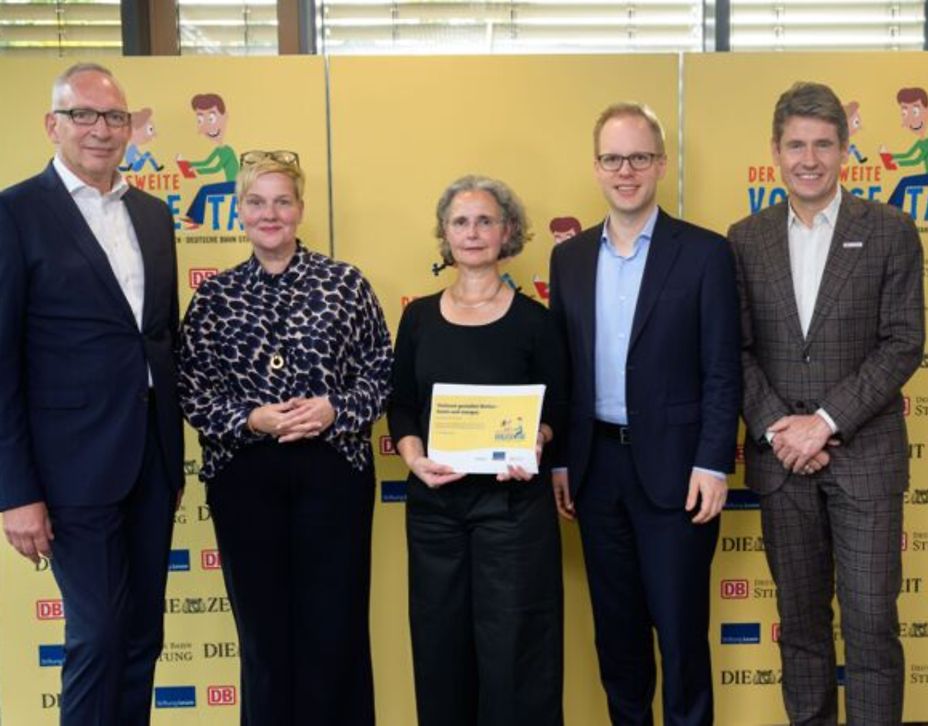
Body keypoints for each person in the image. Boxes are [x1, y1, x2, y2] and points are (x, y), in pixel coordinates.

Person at [728, 81, 924, 726]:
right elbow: (736, 347)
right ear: (775, 152)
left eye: (822, 144)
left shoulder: (891, 230)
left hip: (864, 459)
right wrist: (781, 429)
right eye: (795, 145)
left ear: (844, 150)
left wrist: (825, 423)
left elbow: (903, 343)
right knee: (803, 627)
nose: (808, 158)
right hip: (782, 462)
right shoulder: (744, 238)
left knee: (871, 624)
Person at [177, 151, 392, 725]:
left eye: (281, 201)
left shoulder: (345, 284)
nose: (269, 214)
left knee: (335, 628)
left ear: (299, 209)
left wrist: (334, 409)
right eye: (256, 202)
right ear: (239, 212)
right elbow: (192, 391)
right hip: (246, 477)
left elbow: (382, 371)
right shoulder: (215, 298)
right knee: (264, 633)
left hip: (333, 470)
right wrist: (253, 419)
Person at [0, 63, 183, 725]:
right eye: (83, 115)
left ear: (130, 128)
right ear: (53, 125)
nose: (100, 130)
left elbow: (161, 338)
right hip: (68, 471)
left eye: (113, 117)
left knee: (141, 639)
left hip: (151, 465)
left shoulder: (154, 216)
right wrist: (15, 491)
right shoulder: (14, 213)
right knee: (99, 636)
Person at [549, 102, 741, 725]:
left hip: (679, 474)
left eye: (637, 157)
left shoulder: (706, 253)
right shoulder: (569, 258)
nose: (624, 170)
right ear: (596, 167)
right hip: (597, 470)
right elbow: (564, 371)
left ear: (660, 163)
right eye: (612, 158)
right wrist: (560, 462)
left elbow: (721, 370)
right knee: (618, 637)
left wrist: (714, 462)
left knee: (682, 636)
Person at [388, 175, 565, 726]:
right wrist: (414, 459)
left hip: (512, 511)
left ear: (507, 231)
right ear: (445, 234)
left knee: (517, 654)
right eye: (460, 222)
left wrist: (537, 439)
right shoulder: (417, 317)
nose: (473, 232)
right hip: (436, 510)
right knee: (440, 653)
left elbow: (558, 410)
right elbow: (402, 406)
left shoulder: (537, 321)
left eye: (485, 220)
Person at [181, 92, 238, 226]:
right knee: (205, 190)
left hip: (236, 184)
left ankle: (196, 219)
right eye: (200, 120)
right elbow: (206, 162)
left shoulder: (227, 150)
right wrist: (188, 163)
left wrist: (197, 171)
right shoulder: (218, 150)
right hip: (231, 184)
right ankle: (194, 218)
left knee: (205, 190)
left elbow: (215, 168)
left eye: (211, 119)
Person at [881, 86, 928, 209]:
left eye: (915, 112)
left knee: (904, 181)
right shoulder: (920, 142)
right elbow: (908, 154)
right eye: (904, 113)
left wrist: (898, 162)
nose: (911, 119)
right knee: (904, 182)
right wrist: (890, 156)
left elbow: (916, 160)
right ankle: (892, 209)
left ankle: (892, 209)